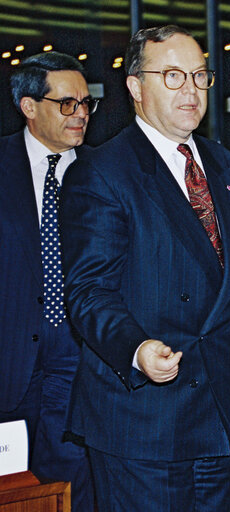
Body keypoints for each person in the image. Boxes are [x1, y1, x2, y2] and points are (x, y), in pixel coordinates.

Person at [59, 25, 230, 511]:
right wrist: (135, 348)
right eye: (173, 76)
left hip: (217, 407)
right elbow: (88, 292)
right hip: (141, 419)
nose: (191, 90)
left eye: (199, 76)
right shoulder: (102, 171)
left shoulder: (225, 166)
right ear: (136, 87)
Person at [0, 51, 95, 512]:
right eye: (66, 103)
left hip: (78, 358)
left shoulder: (106, 173)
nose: (80, 114)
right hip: (9, 359)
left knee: (71, 490)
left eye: (85, 103)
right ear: (29, 107)